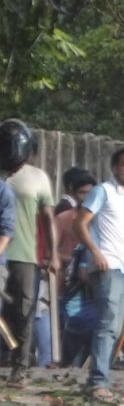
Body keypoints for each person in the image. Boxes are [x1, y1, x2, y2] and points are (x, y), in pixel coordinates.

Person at [72, 148, 124, 397]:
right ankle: (98, 383)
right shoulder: (103, 191)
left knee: (115, 325)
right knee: (107, 324)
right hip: (107, 266)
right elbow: (79, 223)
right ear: (115, 168)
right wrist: (95, 252)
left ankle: (100, 379)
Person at [1, 120, 53, 372]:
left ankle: (20, 365)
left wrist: (52, 254)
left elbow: (48, 217)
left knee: (23, 312)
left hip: (24, 254)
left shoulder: (37, 177)